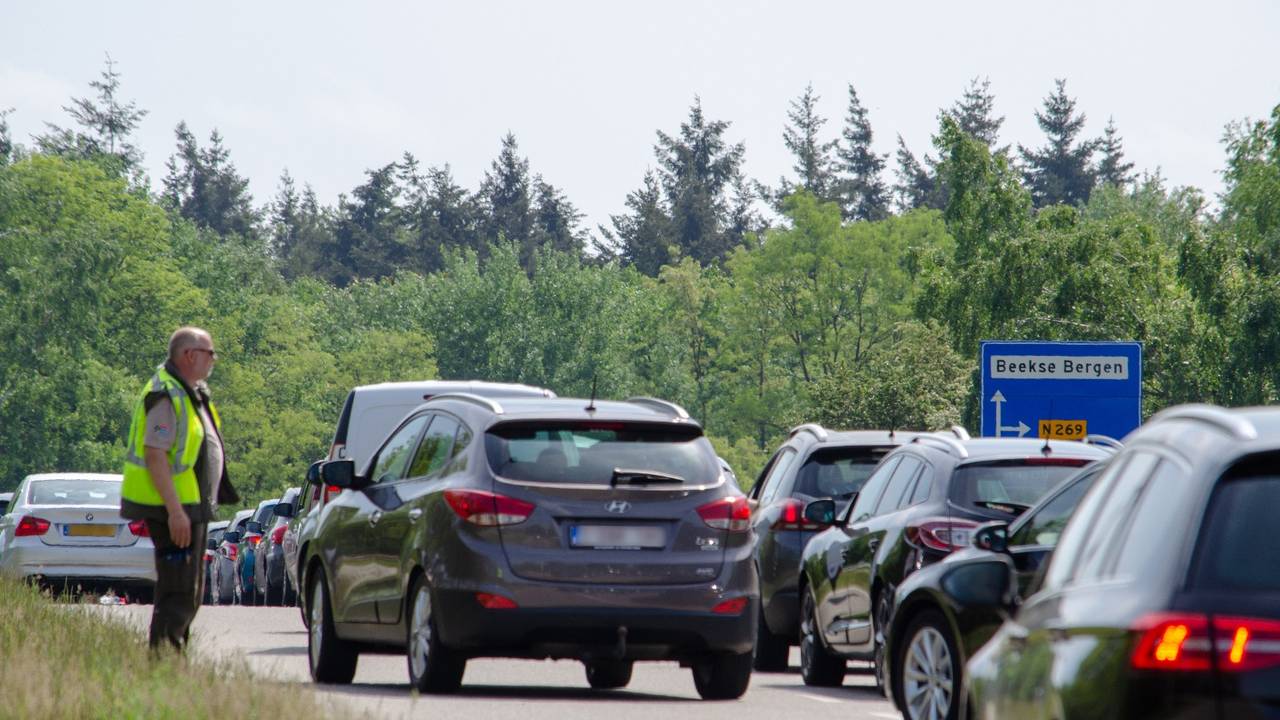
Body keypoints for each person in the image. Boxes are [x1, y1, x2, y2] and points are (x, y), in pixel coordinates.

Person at [120, 326, 238, 650]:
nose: (214, 360)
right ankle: (165, 662)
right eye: (209, 353)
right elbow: (155, 453)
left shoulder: (190, 391)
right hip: (173, 509)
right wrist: (175, 512)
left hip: (189, 506)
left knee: (190, 589)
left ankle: (172, 657)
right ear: (189, 355)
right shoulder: (166, 394)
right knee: (178, 590)